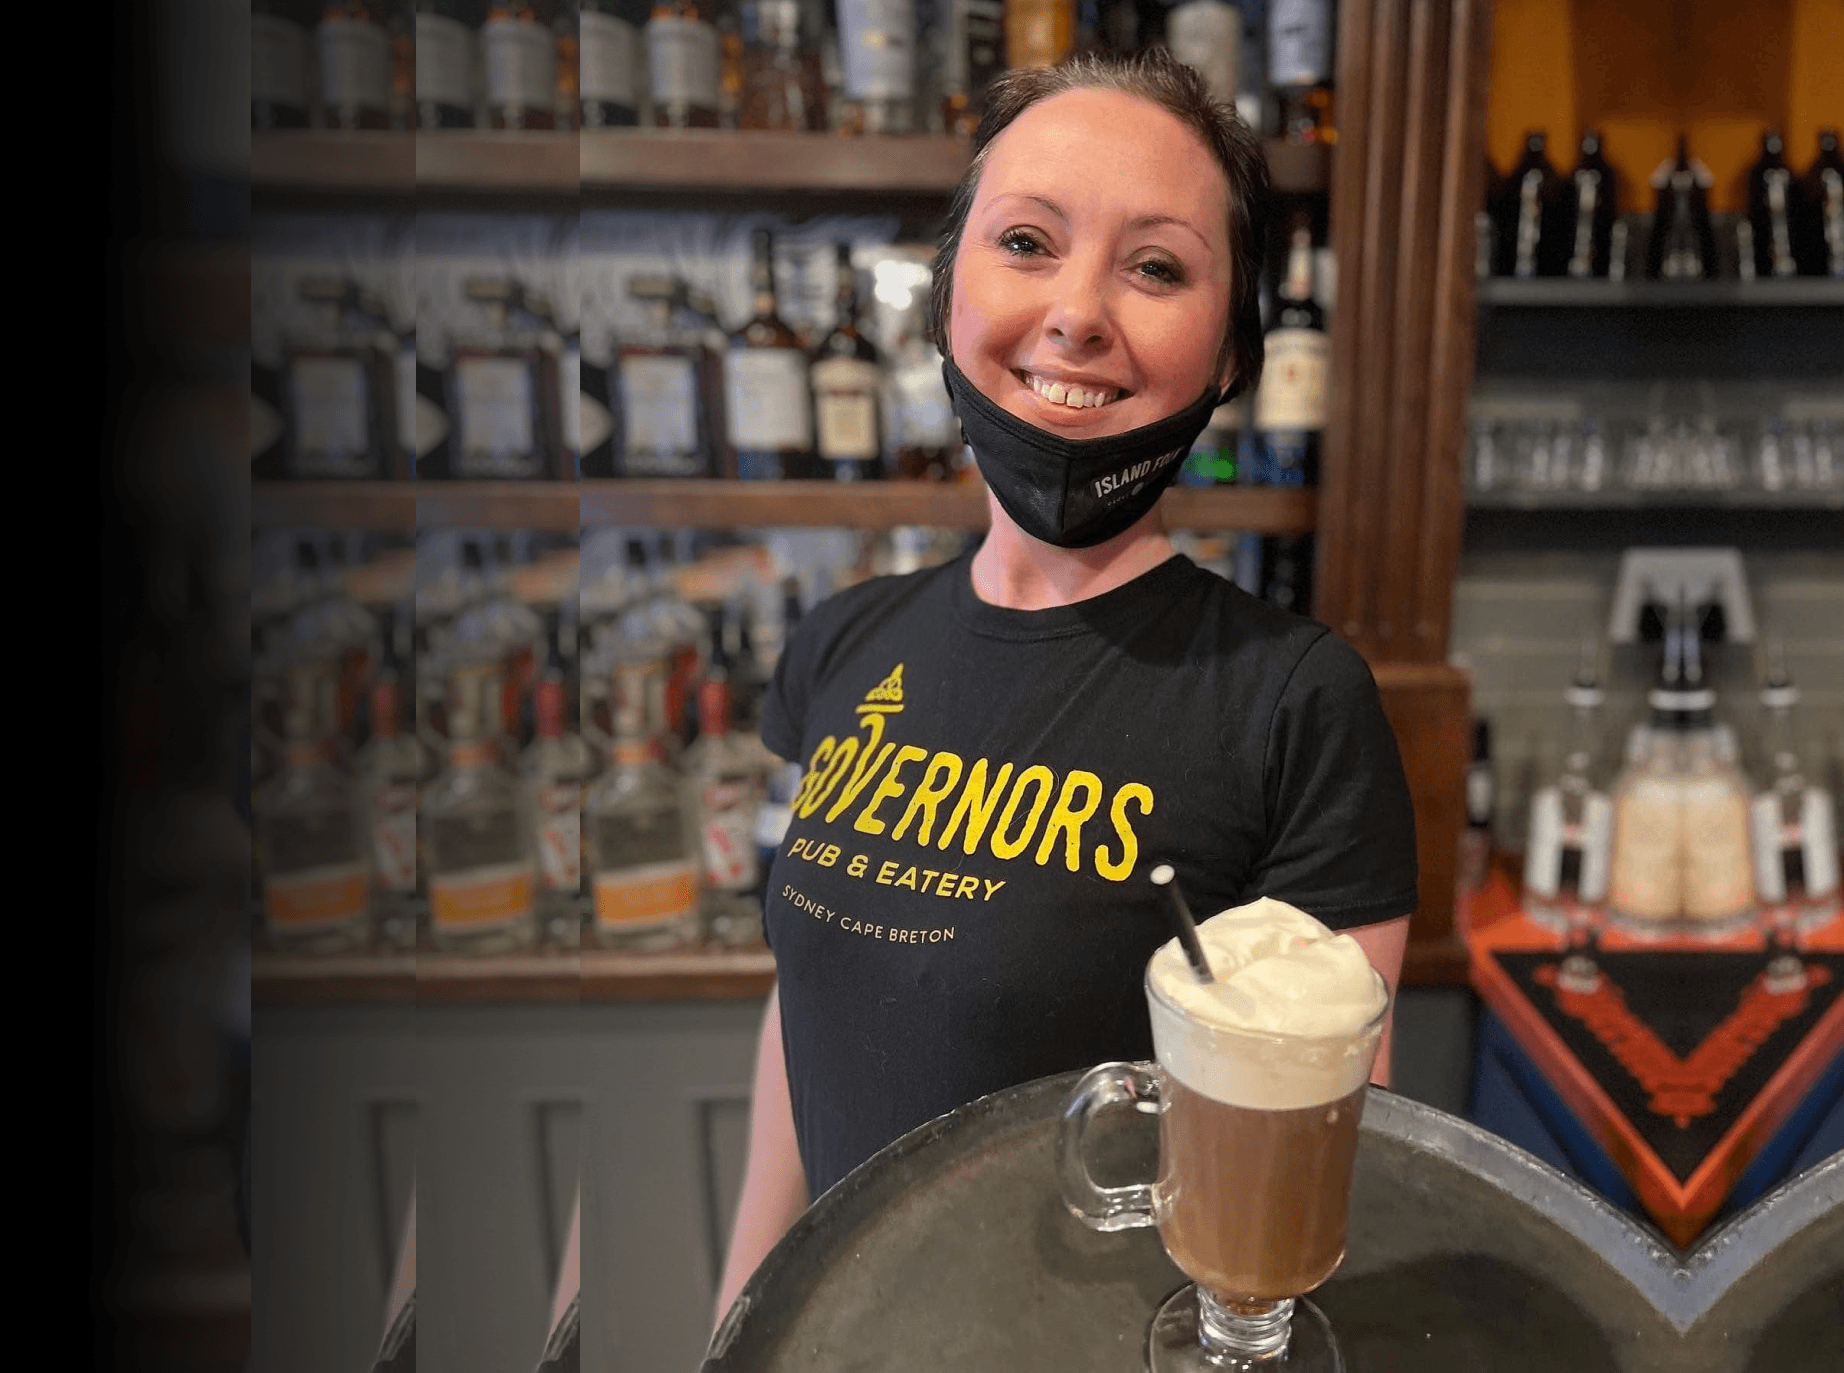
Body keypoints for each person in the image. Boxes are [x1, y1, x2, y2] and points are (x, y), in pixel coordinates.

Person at [714, 48, 1417, 1329]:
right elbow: (802, 1019)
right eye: (1027, 240)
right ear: (944, 298)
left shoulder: (1289, 703)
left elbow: (1308, 1176)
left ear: (1228, 357)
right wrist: (743, 1315)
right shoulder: (841, 647)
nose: (1078, 311)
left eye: (1155, 265)